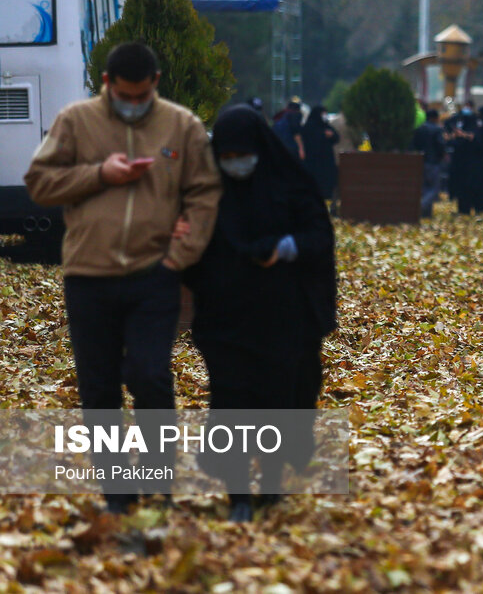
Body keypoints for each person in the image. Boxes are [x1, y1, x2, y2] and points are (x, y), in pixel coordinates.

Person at [23, 42, 222, 514]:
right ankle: (118, 492)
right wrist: (98, 175)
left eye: (142, 94)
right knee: (99, 387)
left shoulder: (182, 125)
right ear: (107, 84)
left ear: (155, 83)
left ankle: (158, 481)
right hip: (88, 276)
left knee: (150, 375)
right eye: (123, 94)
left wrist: (180, 255)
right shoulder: (76, 121)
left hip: (155, 273)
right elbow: (39, 182)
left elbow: (204, 194)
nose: (133, 103)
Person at [184, 105, 336, 522]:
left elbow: (319, 236)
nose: (235, 165)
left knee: (277, 402)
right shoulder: (208, 192)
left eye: (242, 154)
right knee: (232, 404)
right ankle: (238, 496)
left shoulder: (291, 184)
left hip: (283, 319)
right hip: (224, 322)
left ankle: (270, 481)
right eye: (226, 157)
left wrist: (285, 247)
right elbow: (193, 249)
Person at [301, 105, 340, 208]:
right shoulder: (309, 127)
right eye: (323, 113)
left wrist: (331, 135)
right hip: (313, 161)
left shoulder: (326, 125)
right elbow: (310, 140)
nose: (324, 116)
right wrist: (323, 135)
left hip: (326, 161)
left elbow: (336, 137)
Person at [413, 109, 447, 218]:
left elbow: (415, 144)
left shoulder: (420, 129)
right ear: (435, 118)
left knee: (424, 187)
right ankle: (423, 206)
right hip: (434, 162)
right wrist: (442, 156)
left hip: (421, 161)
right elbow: (440, 145)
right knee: (434, 188)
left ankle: (425, 213)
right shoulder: (437, 130)